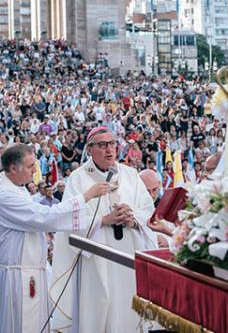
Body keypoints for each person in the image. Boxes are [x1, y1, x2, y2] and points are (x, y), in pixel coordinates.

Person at [0, 144, 112, 332]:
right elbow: (45, 217)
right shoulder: (3, 196)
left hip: (32, 271)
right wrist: (86, 196)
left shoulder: (18, 189)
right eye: (29, 166)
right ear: (13, 168)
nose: (35, 170)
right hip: (18, 277)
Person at [50, 126, 157, 333]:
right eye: (102, 145)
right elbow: (69, 221)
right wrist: (104, 220)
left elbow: (147, 209)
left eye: (112, 144)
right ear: (89, 149)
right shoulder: (78, 179)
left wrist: (132, 218)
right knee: (98, 310)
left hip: (128, 256)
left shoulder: (130, 174)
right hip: (96, 259)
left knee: (128, 308)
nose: (109, 149)